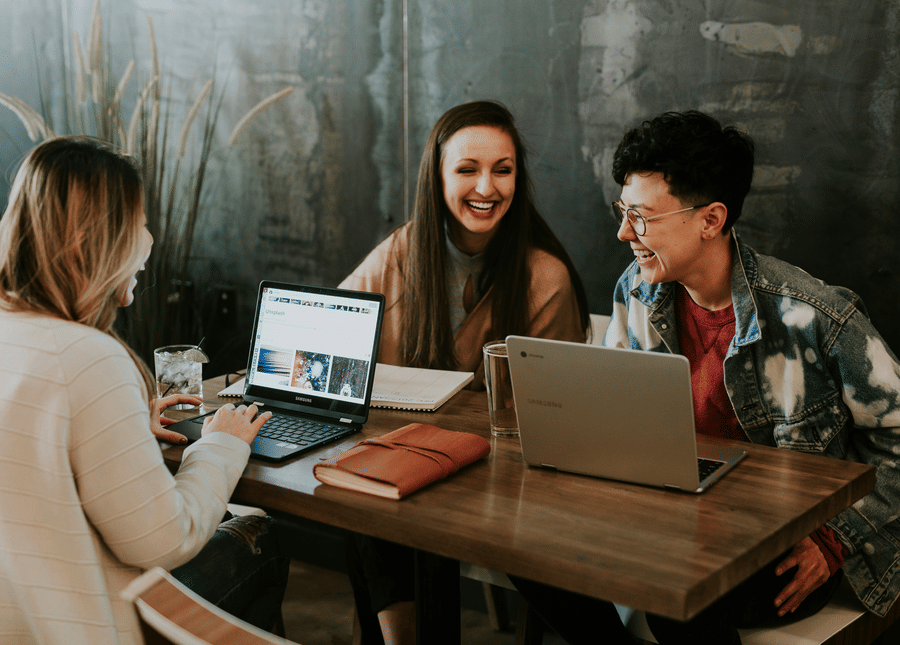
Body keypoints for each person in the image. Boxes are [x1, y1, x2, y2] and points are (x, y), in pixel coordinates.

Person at [511, 110, 900, 644]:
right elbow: (612, 425)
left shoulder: (815, 318)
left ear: (711, 220)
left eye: (642, 217)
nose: (624, 233)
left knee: (680, 589)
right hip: (671, 525)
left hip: (778, 547)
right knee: (523, 546)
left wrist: (834, 540)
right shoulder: (638, 290)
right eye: (623, 211)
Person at [0, 136, 289, 645]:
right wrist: (221, 444)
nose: (149, 239)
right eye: (137, 225)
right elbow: (162, 540)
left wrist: (125, 424)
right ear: (93, 241)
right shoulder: (88, 357)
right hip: (77, 626)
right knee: (261, 535)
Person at [340, 100, 591, 644]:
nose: (487, 187)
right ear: (438, 176)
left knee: (389, 503)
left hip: (501, 481)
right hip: (407, 462)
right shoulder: (405, 249)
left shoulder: (543, 277)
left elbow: (551, 417)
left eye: (503, 170)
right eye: (467, 169)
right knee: (366, 494)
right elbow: (338, 326)